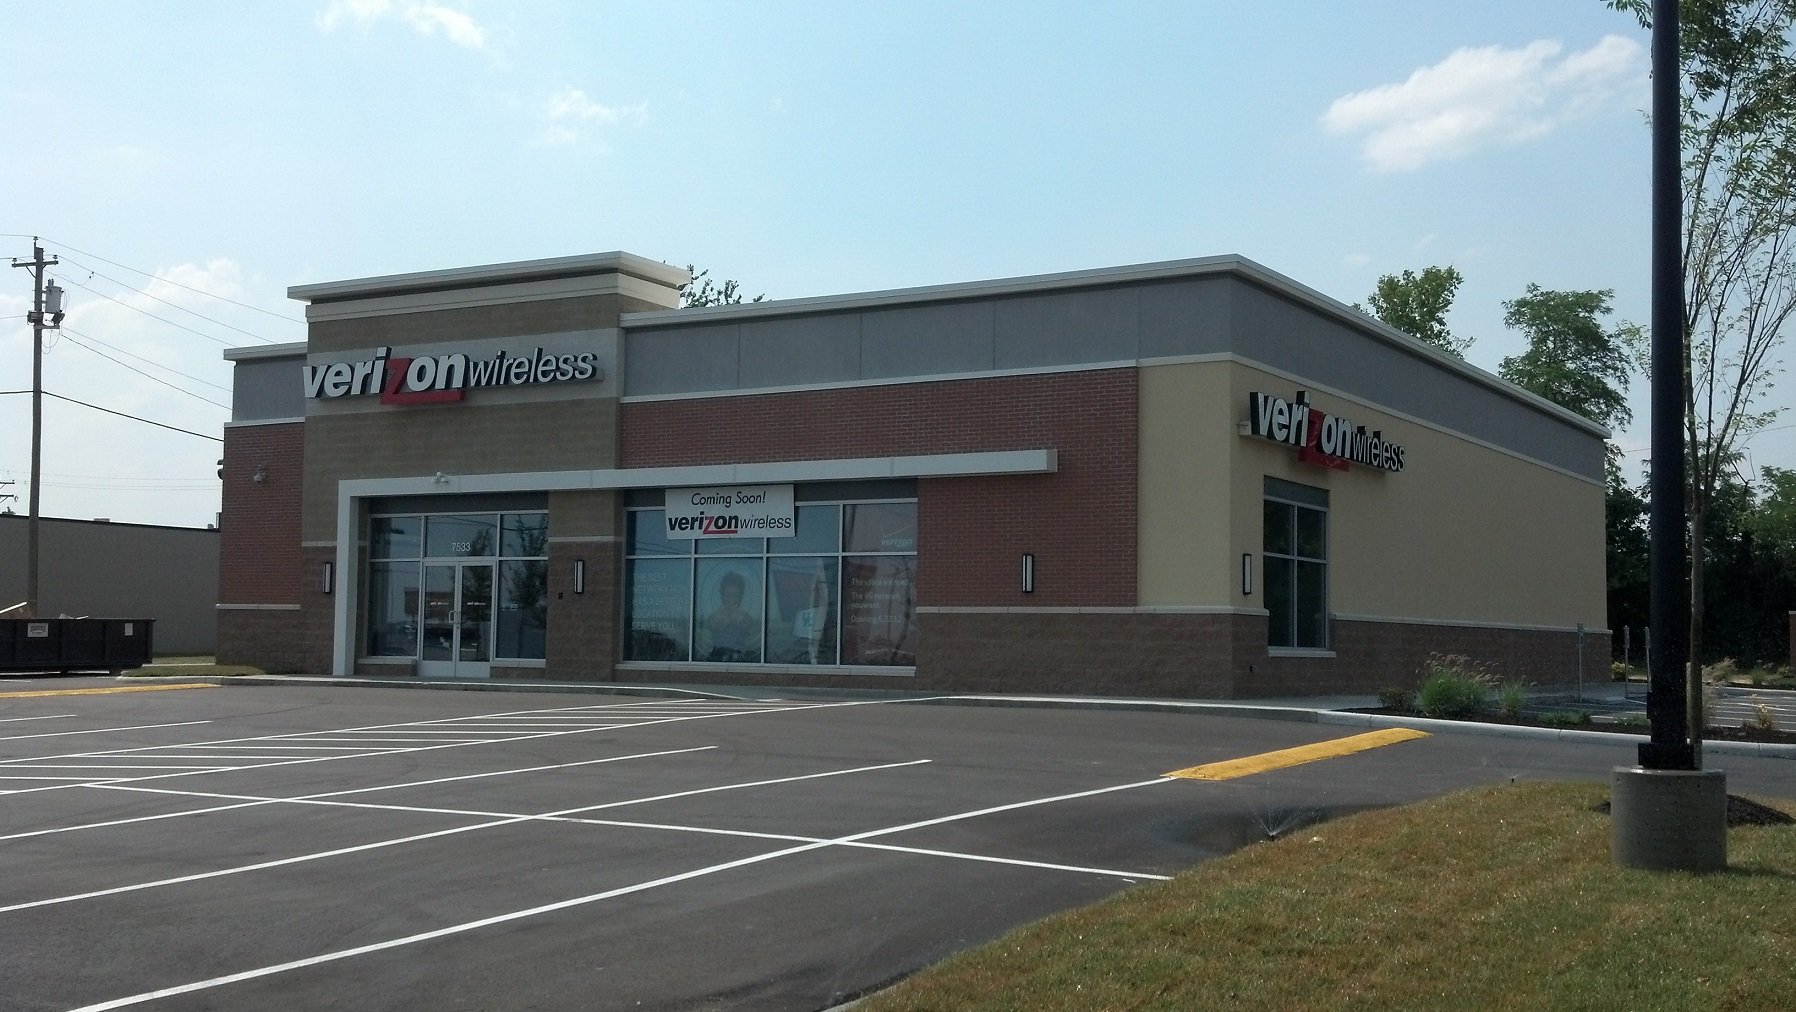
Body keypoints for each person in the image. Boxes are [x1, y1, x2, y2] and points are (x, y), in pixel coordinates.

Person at [702, 570, 758, 662]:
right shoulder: (716, 615)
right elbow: (711, 625)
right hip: (717, 657)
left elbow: (749, 627)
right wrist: (724, 618)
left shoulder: (745, 616)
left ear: (741, 596)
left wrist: (737, 618)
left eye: (735, 595)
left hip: (740, 656)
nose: (731, 600)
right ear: (722, 595)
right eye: (728, 595)